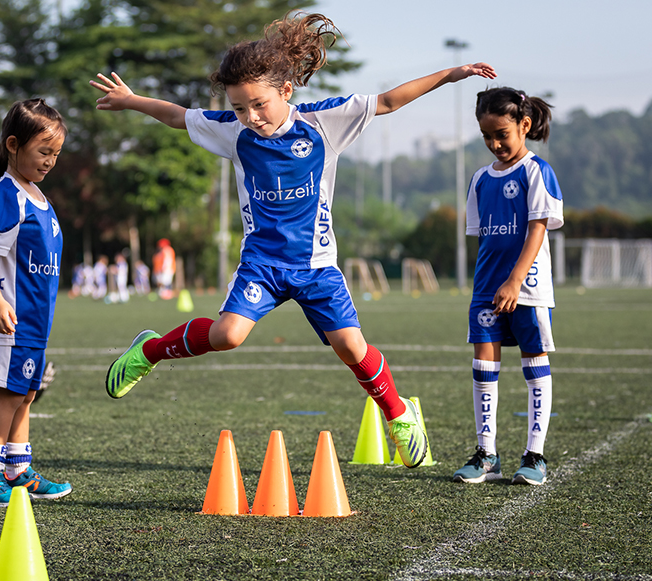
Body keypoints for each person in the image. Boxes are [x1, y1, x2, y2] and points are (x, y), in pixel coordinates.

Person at [90, 12, 496, 468]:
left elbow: (387, 101)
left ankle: (400, 414)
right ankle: (149, 350)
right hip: (262, 264)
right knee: (227, 335)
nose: (250, 116)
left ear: (285, 91)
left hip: (317, 267)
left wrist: (450, 74)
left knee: (351, 348)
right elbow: (177, 117)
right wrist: (131, 100)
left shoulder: (326, 123)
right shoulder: (234, 131)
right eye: (240, 107)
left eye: (258, 104)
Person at [452, 87, 563, 486]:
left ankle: (534, 455)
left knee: (534, 363)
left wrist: (515, 280)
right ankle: (486, 454)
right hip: (487, 289)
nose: (495, 143)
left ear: (525, 125)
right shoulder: (480, 179)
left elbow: (537, 229)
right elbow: (485, 238)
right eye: (487, 136)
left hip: (527, 288)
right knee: (484, 365)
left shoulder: (537, 171)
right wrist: (493, 282)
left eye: (502, 134)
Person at [0, 98, 72, 506]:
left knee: (26, 393)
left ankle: (18, 471)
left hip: (35, 318)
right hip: (10, 317)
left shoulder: (38, 196)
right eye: (43, 151)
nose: (50, 161)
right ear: (13, 144)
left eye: (56, 154)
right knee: (9, 394)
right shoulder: (7, 195)